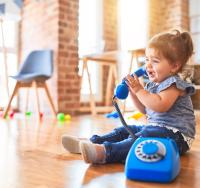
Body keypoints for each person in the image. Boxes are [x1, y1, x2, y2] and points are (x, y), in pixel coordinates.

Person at [62, 30, 196, 164]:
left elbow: (160, 106)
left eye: (155, 61)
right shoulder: (153, 85)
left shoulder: (174, 84)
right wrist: (133, 92)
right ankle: (91, 142)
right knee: (125, 130)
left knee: (143, 136)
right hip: (157, 130)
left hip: (178, 137)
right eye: (147, 59)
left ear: (174, 66)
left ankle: (105, 152)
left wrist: (139, 90)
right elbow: (145, 109)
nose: (148, 65)